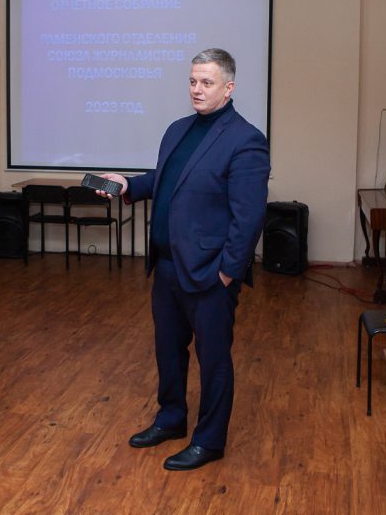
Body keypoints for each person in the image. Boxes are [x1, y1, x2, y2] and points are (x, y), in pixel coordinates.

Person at [100, 48, 270, 471]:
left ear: (228, 88)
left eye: (207, 82)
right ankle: (171, 419)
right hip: (167, 266)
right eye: (193, 81)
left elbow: (249, 217)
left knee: (214, 361)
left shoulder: (246, 140)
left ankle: (209, 441)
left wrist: (228, 273)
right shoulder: (178, 129)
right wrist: (128, 185)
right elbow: (167, 180)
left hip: (210, 274)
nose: (196, 89)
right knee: (168, 351)